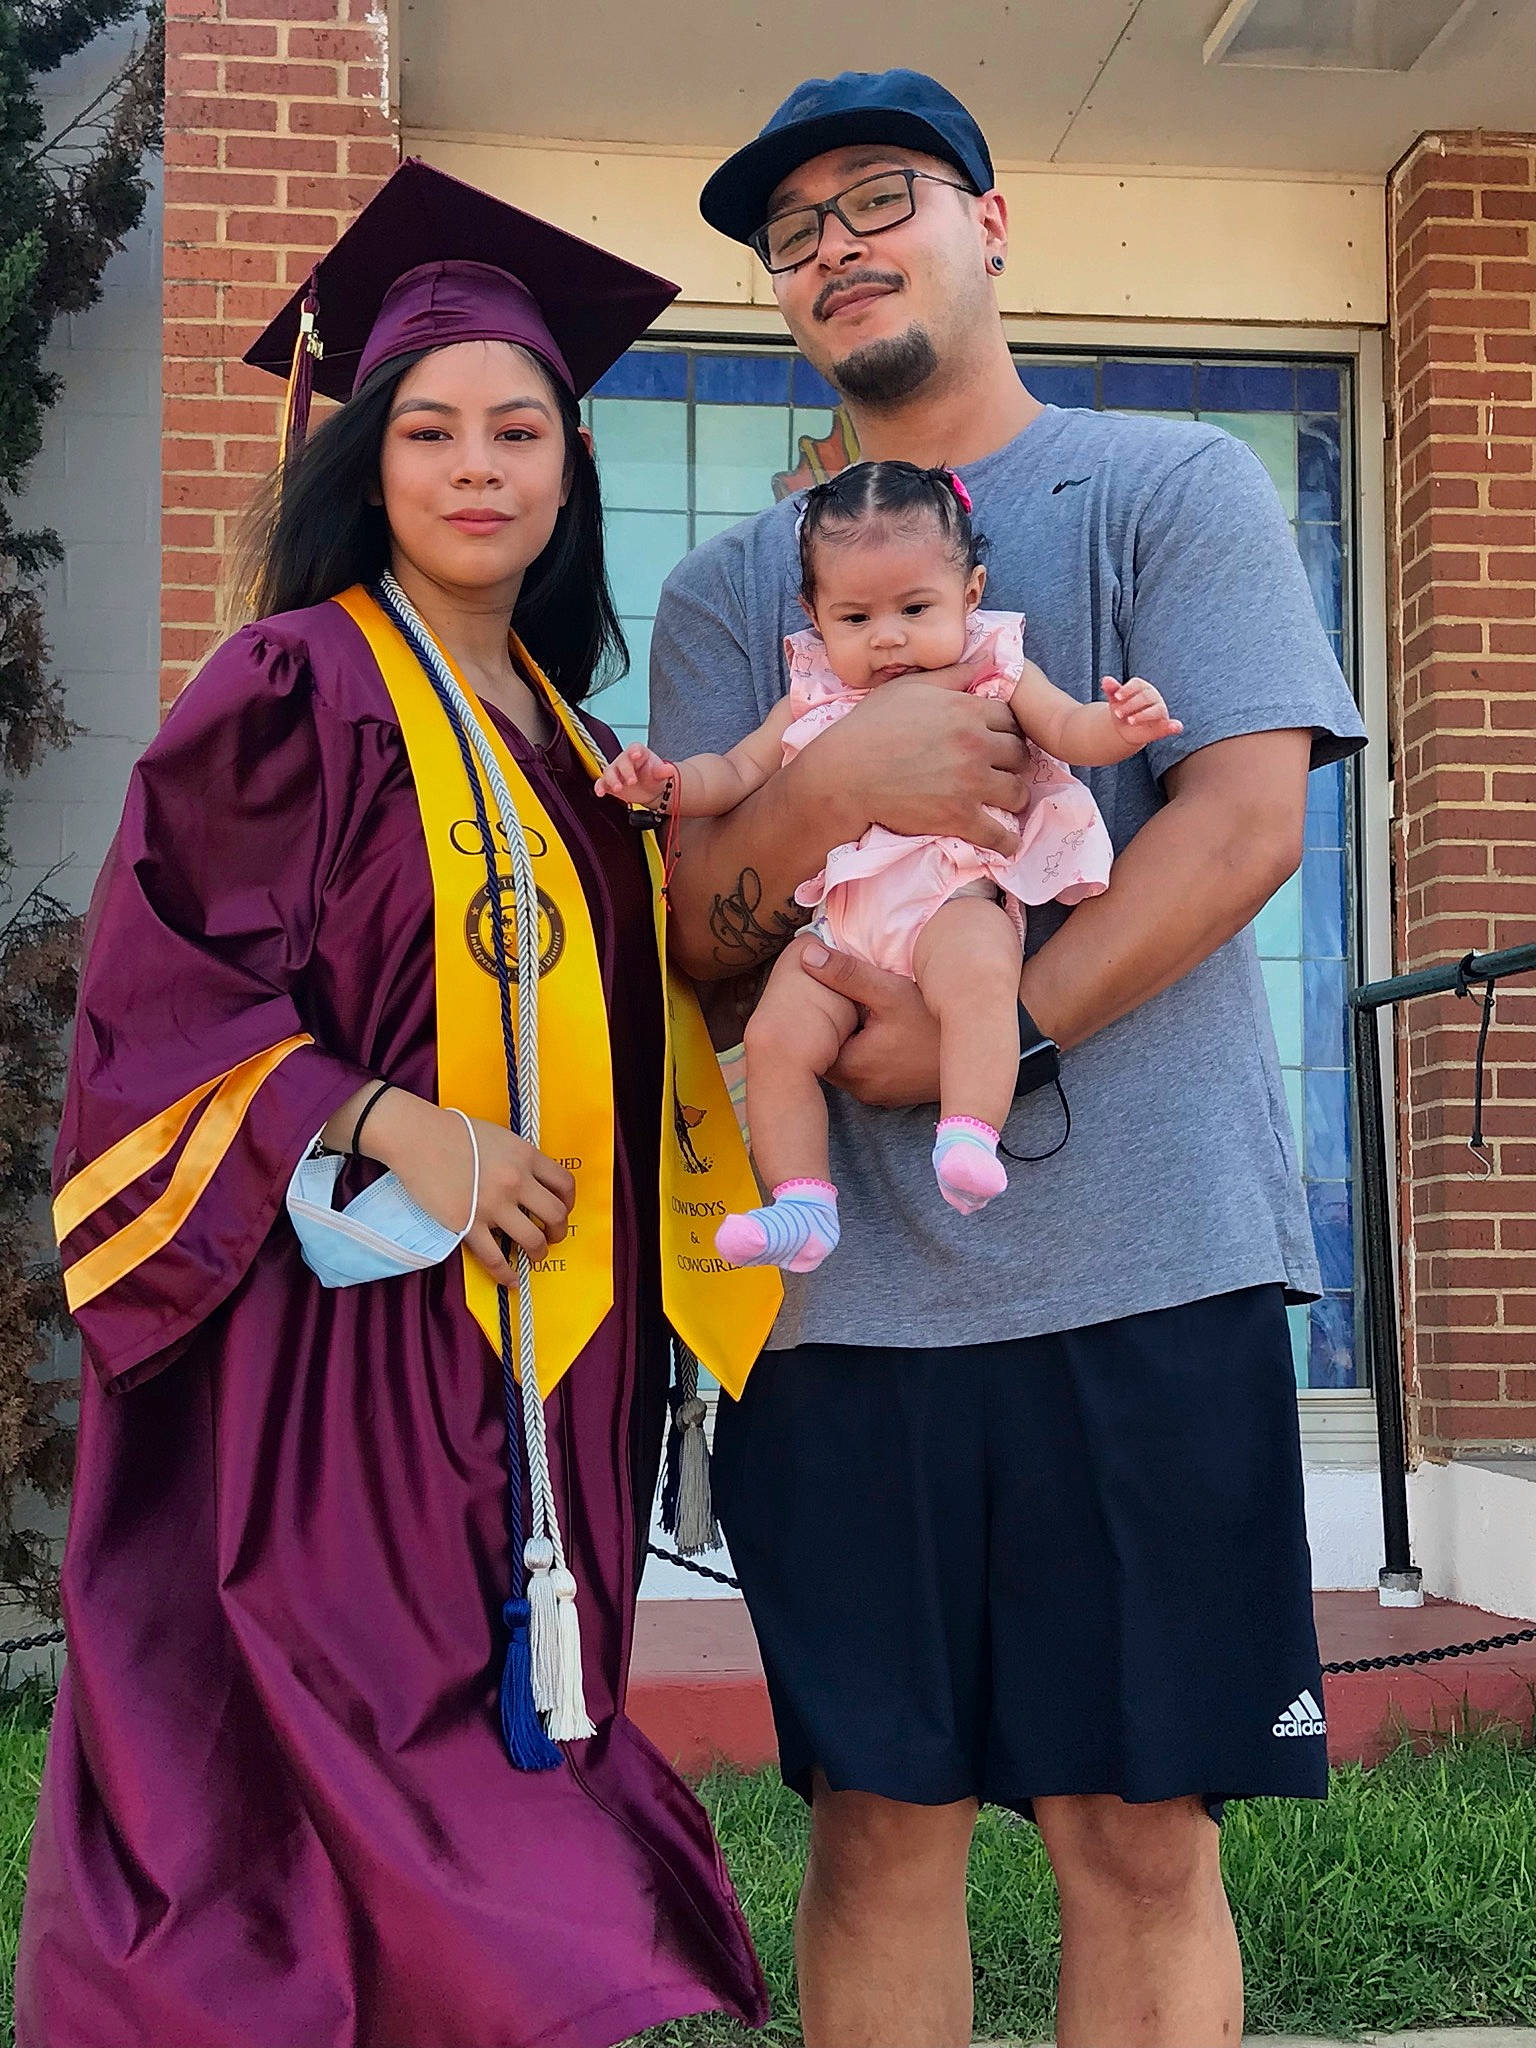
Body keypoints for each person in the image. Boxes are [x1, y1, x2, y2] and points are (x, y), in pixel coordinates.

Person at [17, 159, 781, 2048]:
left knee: (507, 1762)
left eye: (519, 428)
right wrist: (376, 1114)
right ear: (366, 460)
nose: (475, 465)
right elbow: (156, 988)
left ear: (566, 468)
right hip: (349, 1354)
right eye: (427, 427)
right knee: (363, 1782)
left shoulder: (582, 742)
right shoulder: (294, 686)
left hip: (552, 1345)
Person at [649, 69, 1368, 2048]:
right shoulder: (730, 593)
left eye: (882, 198)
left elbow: (1239, 828)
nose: (837, 247)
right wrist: (835, 794)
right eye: (792, 233)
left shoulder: (1170, 487)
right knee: (877, 1824)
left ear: (988, 227)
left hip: (1149, 1273)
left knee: (1138, 1835)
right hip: (836, 1315)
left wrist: (993, 1031)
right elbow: (700, 946)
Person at [599, 459, 1177, 1265]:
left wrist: (1122, 725)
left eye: (915, 608)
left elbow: (1071, 730)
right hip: (842, 928)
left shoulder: (993, 667)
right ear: (813, 615)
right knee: (775, 1039)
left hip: (952, 899)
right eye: (856, 617)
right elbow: (733, 774)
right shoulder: (810, 695)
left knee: (979, 977)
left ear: (969, 595)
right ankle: (802, 1203)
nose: (889, 637)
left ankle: (969, 1131)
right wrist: (667, 785)